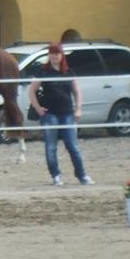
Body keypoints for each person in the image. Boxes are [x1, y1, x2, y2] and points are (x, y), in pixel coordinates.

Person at [28, 42, 93, 185]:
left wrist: (79, 108)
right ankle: (56, 175)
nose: (54, 56)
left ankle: (81, 175)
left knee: (72, 146)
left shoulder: (69, 72)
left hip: (67, 113)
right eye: (51, 53)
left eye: (57, 53)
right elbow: (31, 90)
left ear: (61, 55)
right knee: (51, 146)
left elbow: (77, 91)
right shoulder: (43, 72)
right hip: (50, 114)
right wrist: (38, 108)